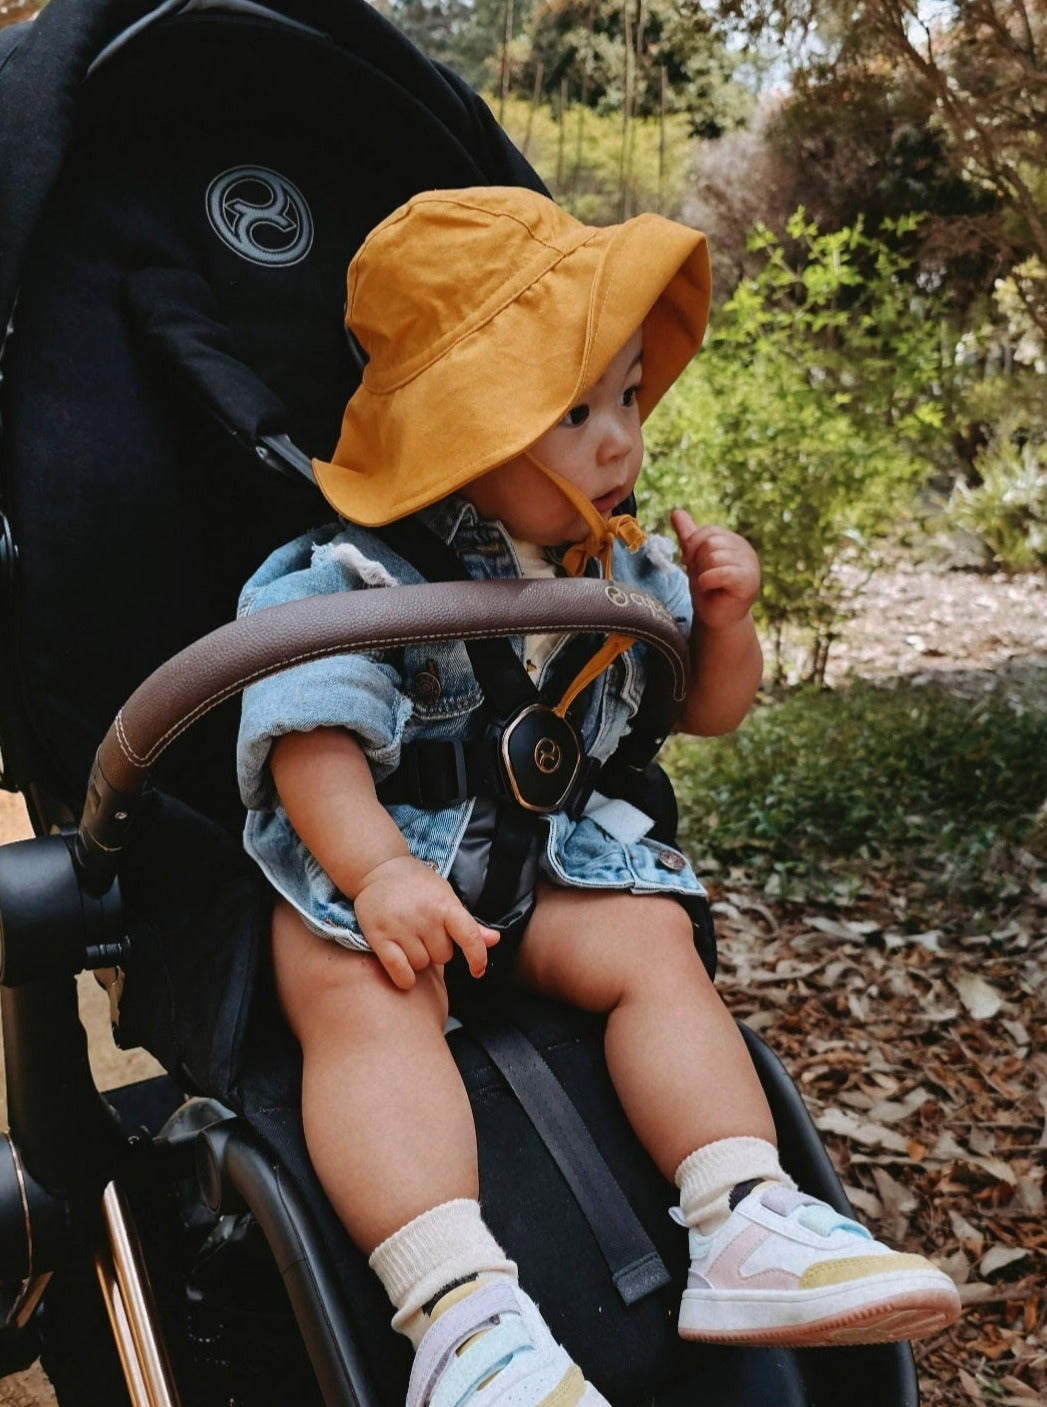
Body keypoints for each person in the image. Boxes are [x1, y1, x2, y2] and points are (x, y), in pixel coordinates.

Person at [237, 187, 959, 1407]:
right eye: (574, 410)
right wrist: (377, 873)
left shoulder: (617, 568)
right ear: (460, 432)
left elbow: (704, 709)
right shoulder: (350, 574)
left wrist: (725, 622)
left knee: (653, 941)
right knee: (357, 997)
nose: (621, 439)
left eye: (626, 394)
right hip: (381, 879)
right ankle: (464, 1320)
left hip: (542, 874)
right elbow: (308, 740)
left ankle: (742, 1213)